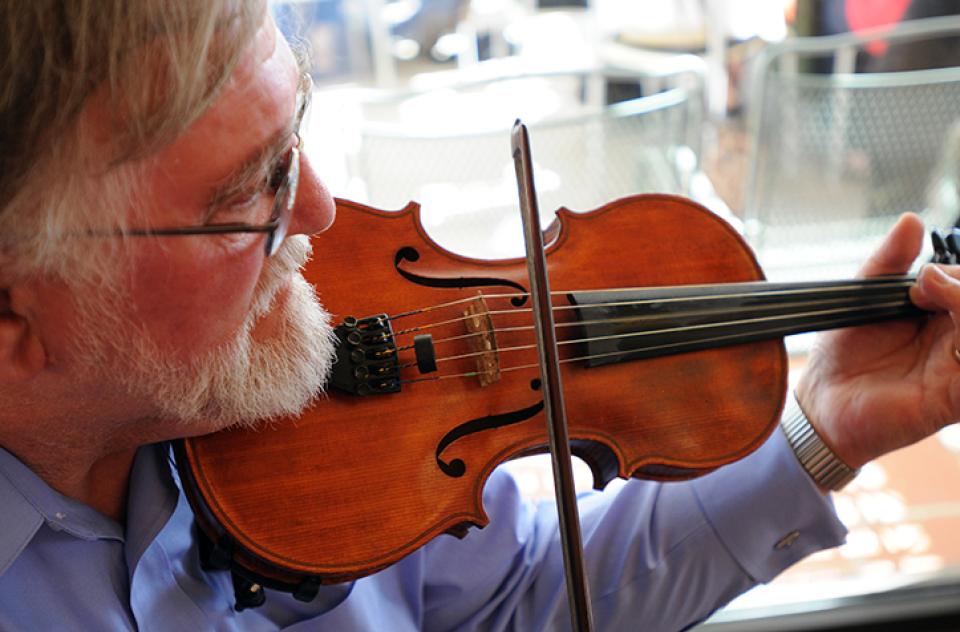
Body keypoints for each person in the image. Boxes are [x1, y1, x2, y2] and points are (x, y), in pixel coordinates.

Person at [1, 2, 959, 630]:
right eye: (249, 191)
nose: (323, 213)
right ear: (15, 315)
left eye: (295, 136)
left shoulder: (305, 351)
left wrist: (824, 431)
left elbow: (517, 598)